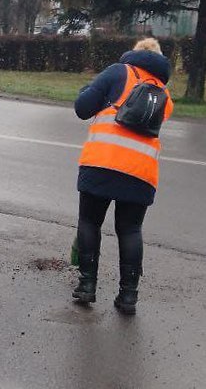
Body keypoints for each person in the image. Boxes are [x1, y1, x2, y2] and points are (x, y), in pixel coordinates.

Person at [72, 37, 174, 315]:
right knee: (130, 230)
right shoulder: (164, 94)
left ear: (135, 54)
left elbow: (83, 108)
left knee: (90, 222)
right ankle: (128, 296)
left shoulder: (118, 72)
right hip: (141, 171)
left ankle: (87, 286)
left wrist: (89, 90)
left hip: (102, 163)